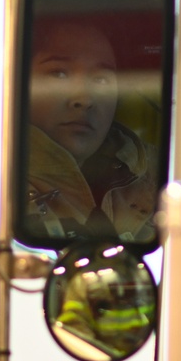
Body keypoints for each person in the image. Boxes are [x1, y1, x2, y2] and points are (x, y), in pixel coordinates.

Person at [25, 18, 151, 242]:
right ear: (20, 85)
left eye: (101, 80)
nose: (84, 99)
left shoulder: (167, 176)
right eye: (59, 74)